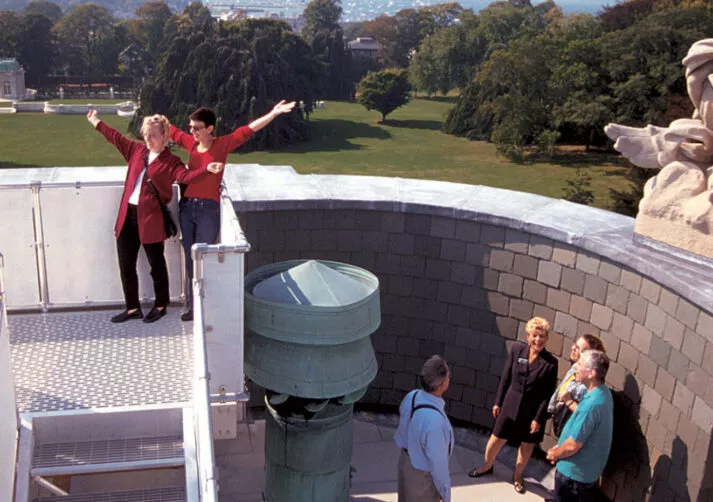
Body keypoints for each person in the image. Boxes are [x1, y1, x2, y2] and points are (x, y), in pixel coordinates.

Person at [87, 110, 223, 324]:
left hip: (151, 219)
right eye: (146, 134)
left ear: (164, 137)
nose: (148, 139)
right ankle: (132, 308)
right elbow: (114, 137)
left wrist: (207, 170)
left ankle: (160, 305)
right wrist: (95, 121)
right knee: (126, 265)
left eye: (153, 135)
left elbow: (186, 176)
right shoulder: (136, 150)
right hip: (127, 216)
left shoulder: (172, 162)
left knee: (156, 265)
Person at [169, 100, 296, 321]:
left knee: (204, 256)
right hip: (187, 207)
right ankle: (192, 305)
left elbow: (248, 130)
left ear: (210, 128)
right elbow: (169, 129)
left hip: (208, 209)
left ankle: (206, 303)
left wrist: (273, 113)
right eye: (190, 127)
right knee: (190, 257)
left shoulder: (222, 145)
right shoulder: (190, 145)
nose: (192, 131)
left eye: (197, 127)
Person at [468, 317, 558, 495]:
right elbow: (506, 377)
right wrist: (498, 402)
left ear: (546, 339)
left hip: (532, 413)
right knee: (496, 439)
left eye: (542, 336)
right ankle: (486, 466)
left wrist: (538, 419)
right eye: (534, 335)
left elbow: (547, 394)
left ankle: (517, 476)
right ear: (528, 336)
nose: (538, 340)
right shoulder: (517, 350)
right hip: (510, 404)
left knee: (526, 447)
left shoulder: (551, 363)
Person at [546, 350, 614, 502]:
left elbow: (572, 446)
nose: (576, 366)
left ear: (591, 373)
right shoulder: (602, 394)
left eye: (580, 364)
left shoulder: (591, 405)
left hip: (573, 478)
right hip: (584, 473)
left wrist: (555, 454)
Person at [394, 355, 454, 502]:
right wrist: (445, 494)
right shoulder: (435, 423)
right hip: (422, 478)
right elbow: (438, 464)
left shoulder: (412, 396)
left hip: (406, 464)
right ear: (442, 385)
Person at [547, 334, 606, 437]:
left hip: (571, 431)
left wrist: (568, 401)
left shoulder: (587, 384)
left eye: (579, 349)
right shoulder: (575, 367)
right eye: (575, 344)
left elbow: (585, 414)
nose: (573, 348)